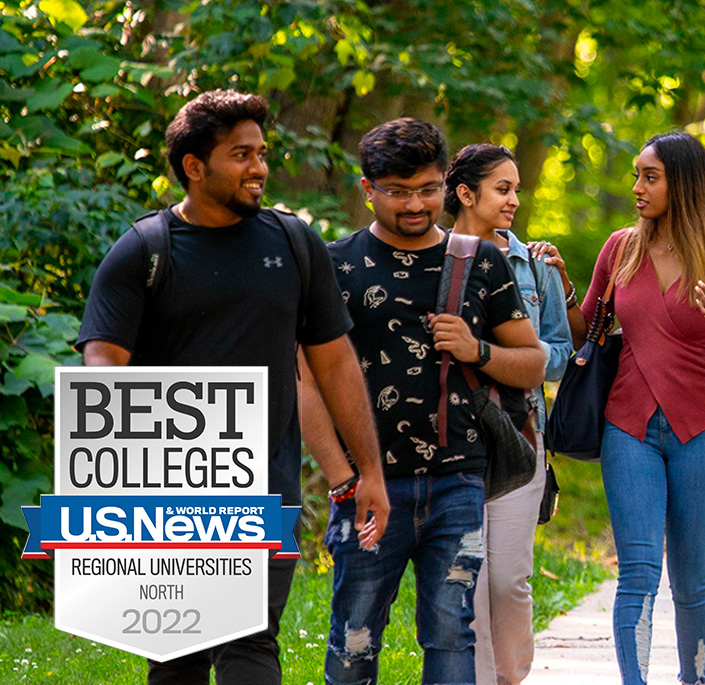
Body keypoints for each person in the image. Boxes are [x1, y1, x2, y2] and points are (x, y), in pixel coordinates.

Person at [76, 89, 389, 685]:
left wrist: (367, 472)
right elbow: (102, 367)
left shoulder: (293, 243)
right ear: (194, 166)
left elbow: (335, 364)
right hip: (167, 493)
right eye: (241, 155)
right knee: (178, 655)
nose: (260, 169)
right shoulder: (143, 251)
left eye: (263, 153)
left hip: (265, 485)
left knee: (250, 643)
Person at [298, 118, 546, 685]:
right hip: (367, 484)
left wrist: (477, 348)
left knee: (452, 630)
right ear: (368, 189)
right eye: (399, 191)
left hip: (457, 480)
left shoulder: (480, 262)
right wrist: (343, 478)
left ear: (446, 185)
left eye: (428, 189)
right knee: (354, 635)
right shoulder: (333, 265)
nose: (416, 204)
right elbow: (305, 380)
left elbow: (532, 362)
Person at [533, 132, 705, 685]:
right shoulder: (621, 248)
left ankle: (695, 679)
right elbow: (586, 329)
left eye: (650, 177)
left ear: (682, 183)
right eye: (636, 175)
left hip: (703, 429)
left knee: (690, 579)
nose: (637, 187)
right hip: (628, 425)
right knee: (638, 571)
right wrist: (563, 284)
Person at [444, 143, 571, 685]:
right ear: (466, 194)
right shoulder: (433, 257)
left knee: (508, 580)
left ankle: (511, 676)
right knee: (467, 576)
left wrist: (508, 358)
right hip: (449, 436)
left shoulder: (535, 263)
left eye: (517, 188)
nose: (515, 199)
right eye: (504, 188)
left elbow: (560, 352)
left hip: (521, 433)